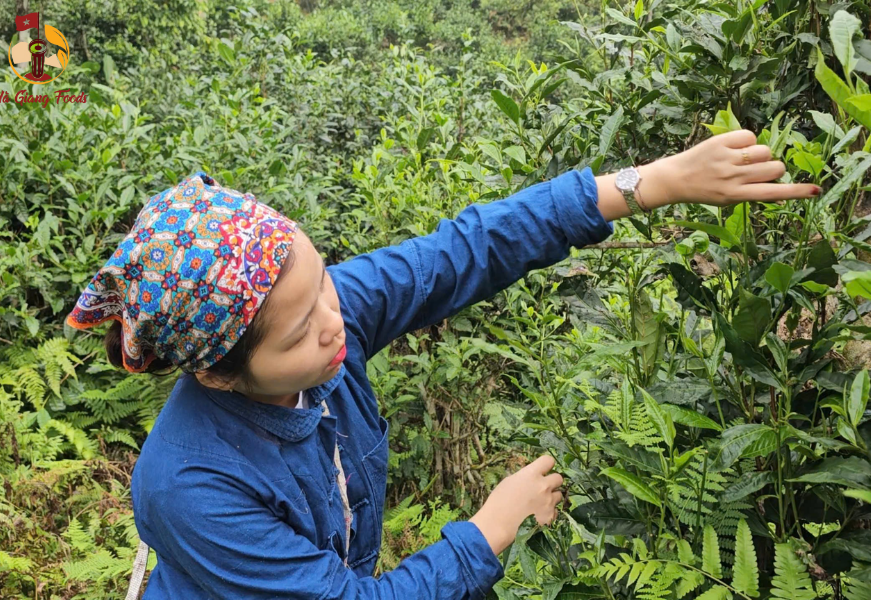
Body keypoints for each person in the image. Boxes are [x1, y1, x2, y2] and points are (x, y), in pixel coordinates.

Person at [65, 129, 820, 600]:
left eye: (323, 278)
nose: (336, 324)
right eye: (298, 332)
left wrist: (650, 182)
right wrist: (488, 530)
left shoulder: (326, 313)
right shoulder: (190, 484)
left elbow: (462, 251)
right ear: (217, 373)